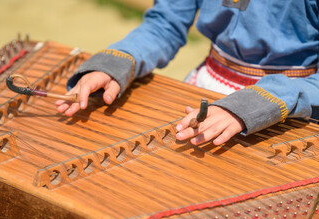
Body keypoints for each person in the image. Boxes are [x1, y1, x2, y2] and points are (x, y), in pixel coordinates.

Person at [56, 0, 319, 146]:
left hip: (291, 104)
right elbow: (166, 23)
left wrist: (250, 106)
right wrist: (117, 63)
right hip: (204, 88)